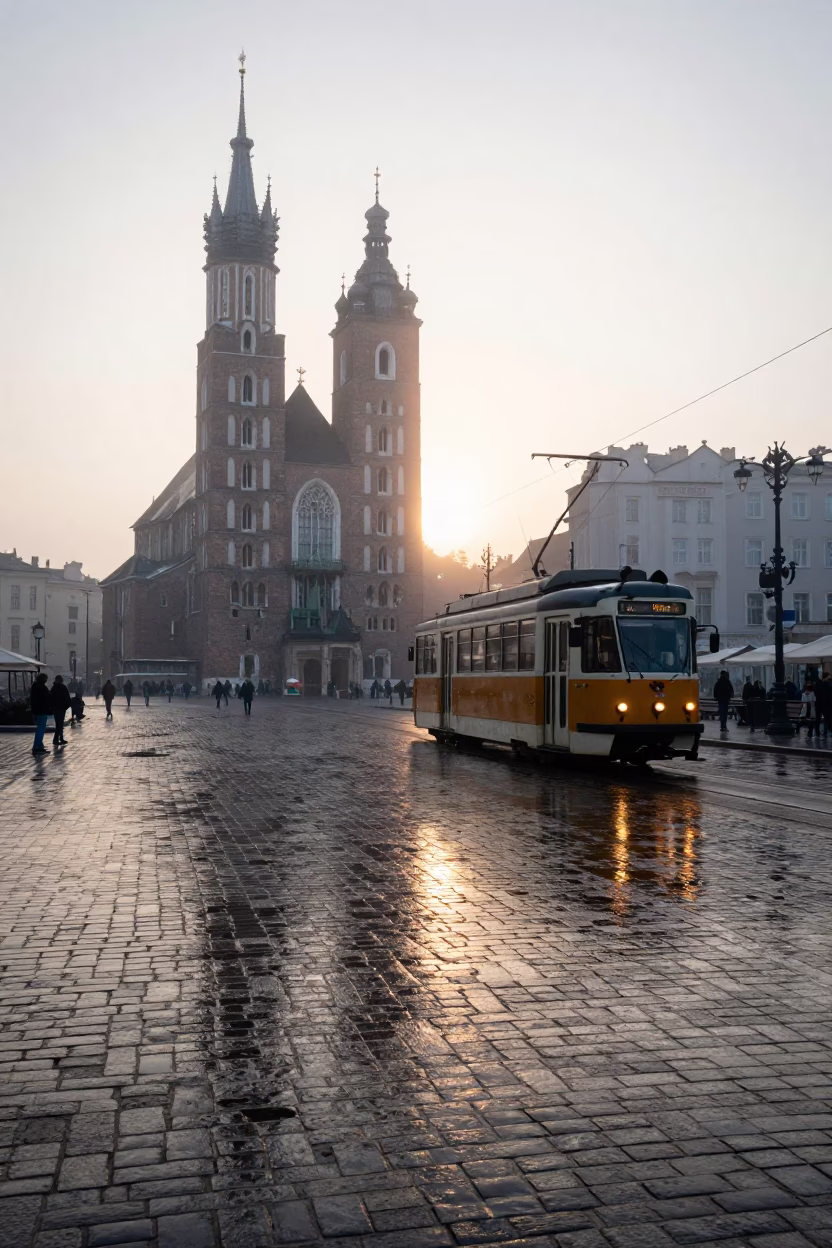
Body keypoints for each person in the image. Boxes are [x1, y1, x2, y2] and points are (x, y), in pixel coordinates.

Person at [30, 671, 52, 755]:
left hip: (38, 710)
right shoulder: (40, 687)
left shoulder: (35, 686)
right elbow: (45, 698)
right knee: (40, 729)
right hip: (41, 710)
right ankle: (36, 747)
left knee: (40, 728)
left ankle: (40, 746)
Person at [51, 675, 71, 747]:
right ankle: (57, 739)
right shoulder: (62, 687)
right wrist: (67, 705)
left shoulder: (54, 688)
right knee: (60, 724)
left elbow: (51, 698)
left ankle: (59, 738)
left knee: (59, 724)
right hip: (61, 708)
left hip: (57, 708)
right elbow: (67, 698)